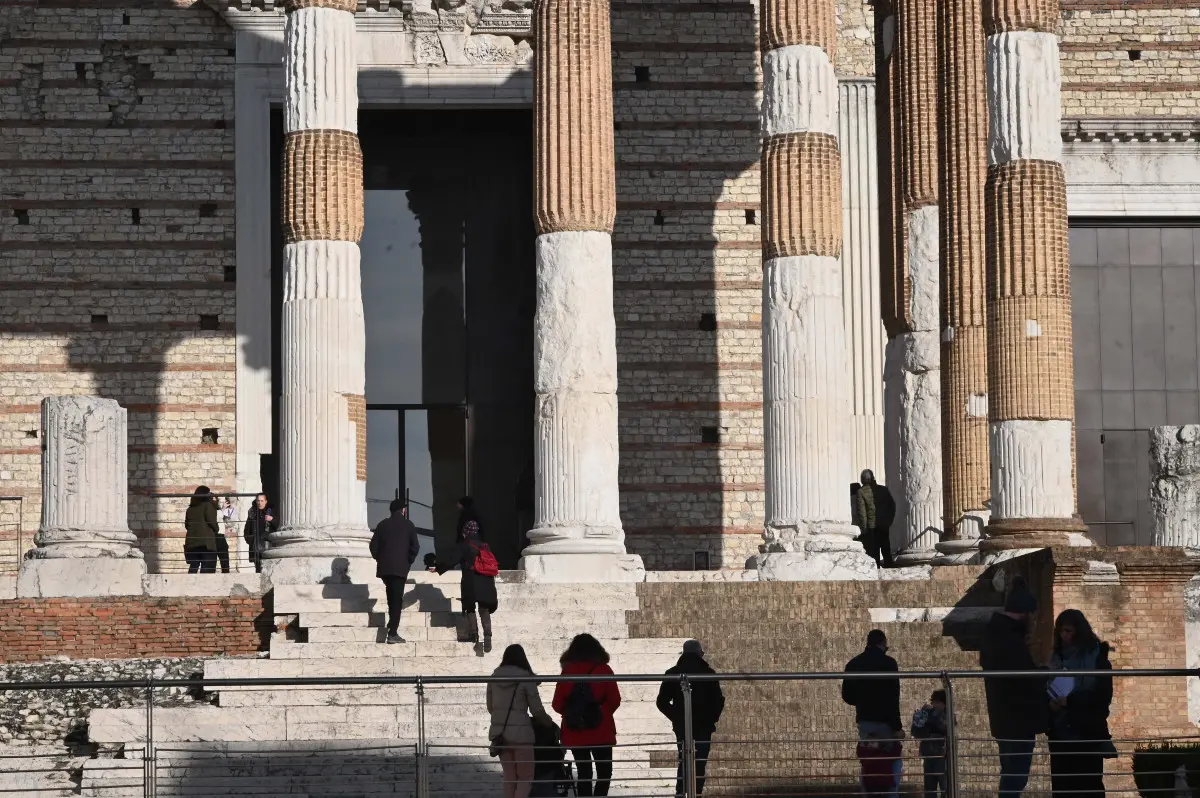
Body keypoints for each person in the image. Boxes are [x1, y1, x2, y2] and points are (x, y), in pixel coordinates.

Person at [981, 577, 1049, 798]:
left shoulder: (996, 635)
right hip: (1017, 720)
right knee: (1015, 778)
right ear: (1025, 613)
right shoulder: (1009, 641)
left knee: (1011, 775)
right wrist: (1047, 672)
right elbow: (1023, 680)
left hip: (1004, 719)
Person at [1047, 609, 1113, 798]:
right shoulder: (1055, 657)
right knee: (1062, 788)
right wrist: (1051, 705)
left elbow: (1102, 698)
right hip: (1060, 732)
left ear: (1079, 631)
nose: (1064, 636)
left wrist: (1070, 702)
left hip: (1086, 731)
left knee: (1088, 786)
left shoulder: (1097, 658)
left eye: (1068, 631)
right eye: (1060, 631)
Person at [552, 634, 621, 797]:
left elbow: (557, 704)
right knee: (604, 773)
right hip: (601, 730)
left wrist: (575, 713)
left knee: (583, 773)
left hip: (576, 731)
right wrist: (600, 712)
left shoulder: (567, 671)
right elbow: (615, 700)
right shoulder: (604, 670)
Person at [656, 639, 724, 796]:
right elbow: (718, 700)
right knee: (699, 763)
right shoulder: (708, 673)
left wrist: (677, 717)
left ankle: (681, 793)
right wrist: (710, 719)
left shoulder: (673, 673)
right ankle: (696, 793)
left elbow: (661, 702)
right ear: (699, 653)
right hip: (703, 726)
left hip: (682, 726)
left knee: (684, 760)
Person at [488, 644, 554, 798]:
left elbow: (491, 707)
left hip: (501, 735)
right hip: (521, 735)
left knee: (509, 778)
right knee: (525, 777)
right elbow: (537, 710)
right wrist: (548, 723)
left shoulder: (494, 676)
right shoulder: (525, 677)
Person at [437, 504, 499, 652]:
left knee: (470, 608)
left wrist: (438, 568)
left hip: (471, 580)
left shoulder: (464, 545)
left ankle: (474, 634)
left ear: (466, 531)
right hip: (486, 581)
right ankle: (488, 635)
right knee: (484, 609)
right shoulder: (485, 545)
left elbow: (452, 560)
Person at [369, 498, 420, 644]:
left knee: (392, 597)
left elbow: (373, 547)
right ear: (403, 510)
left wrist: (381, 559)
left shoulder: (382, 525)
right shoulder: (408, 525)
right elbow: (415, 547)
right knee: (396, 600)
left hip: (385, 569)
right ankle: (392, 633)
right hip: (400, 569)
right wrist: (407, 562)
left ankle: (392, 625)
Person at [842, 629, 903, 739]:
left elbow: (847, 696)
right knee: (888, 753)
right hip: (886, 720)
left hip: (864, 718)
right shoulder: (889, 663)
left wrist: (863, 701)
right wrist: (897, 726)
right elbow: (893, 696)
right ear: (883, 643)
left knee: (869, 752)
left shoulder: (853, 663)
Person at [911, 689, 949, 798]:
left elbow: (944, 727)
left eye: (937, 702)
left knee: (945, 787)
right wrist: (921, 717)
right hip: (928, 755)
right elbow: (917, 732)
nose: (934, 705)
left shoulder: (948, 715)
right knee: (929, 789)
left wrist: (934, 715)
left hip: (943, 756)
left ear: (944, 704)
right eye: (933, 702)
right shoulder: (928, 714)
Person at [857, 470, 896, 567]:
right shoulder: (884, 489)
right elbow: (892, 506)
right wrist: (889, 520)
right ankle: (889, 567)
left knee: (874, 551)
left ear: (862, 480)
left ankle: (876, 570)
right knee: (886, 548)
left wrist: (864, 528)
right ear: (873, 477)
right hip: (884, 524)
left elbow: (862, 513)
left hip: (871, 526)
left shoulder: (860, 492)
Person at [183, 485, 219, 574]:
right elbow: (212, 522)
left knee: (193, 567)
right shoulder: (207, 505)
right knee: (207, 570)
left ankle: (191, 587)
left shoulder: (190, 509)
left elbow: (187, 525)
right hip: (206, 544)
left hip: (192, 543)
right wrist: (216, 529)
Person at [857, 729, 902, 798]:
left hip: (882, 783)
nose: (869, 744)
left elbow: (895, 752)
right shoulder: (869, 754)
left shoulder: (884, 754)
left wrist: (896, 742)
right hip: (872, 783)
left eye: (872, 742)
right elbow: (860, 753)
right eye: (868, 743)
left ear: (879, 743)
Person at [243, 493, 277, 574]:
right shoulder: (252, 512)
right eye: (258, 501)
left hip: (268, 544)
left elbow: (279, 525)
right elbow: (247, 529)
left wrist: (272, 520)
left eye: (262, 501)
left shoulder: (271, 511)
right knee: (258, 569)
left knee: (269, 569)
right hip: (255, 544)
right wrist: (250, 540)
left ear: (266, 501)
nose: (259, 503)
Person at [214, 496, 235, 574]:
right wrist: (223, 509)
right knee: (213, 562)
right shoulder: (213, 510)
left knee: (225, 561)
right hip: (215, 536)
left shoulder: (221, 511)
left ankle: (226, 576)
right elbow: (215, 519)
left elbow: (230, 524)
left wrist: (230, 511)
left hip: (221, 536)